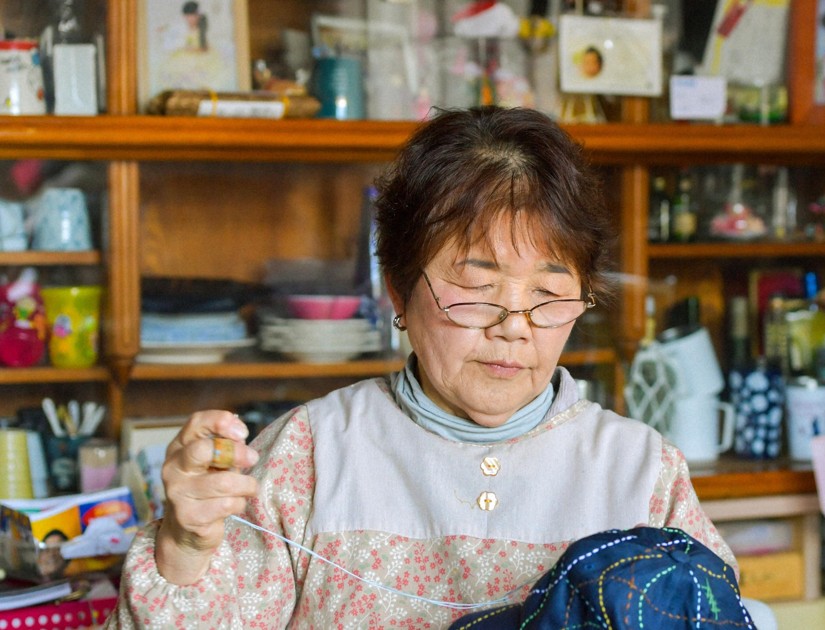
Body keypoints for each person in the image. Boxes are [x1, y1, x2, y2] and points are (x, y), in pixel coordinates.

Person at [110, 106, 737, 628]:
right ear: (399, 292)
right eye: (477, 290)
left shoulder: (641, 473)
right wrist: (187, 547)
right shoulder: (312, 454)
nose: (514, 326)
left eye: (548, 296)